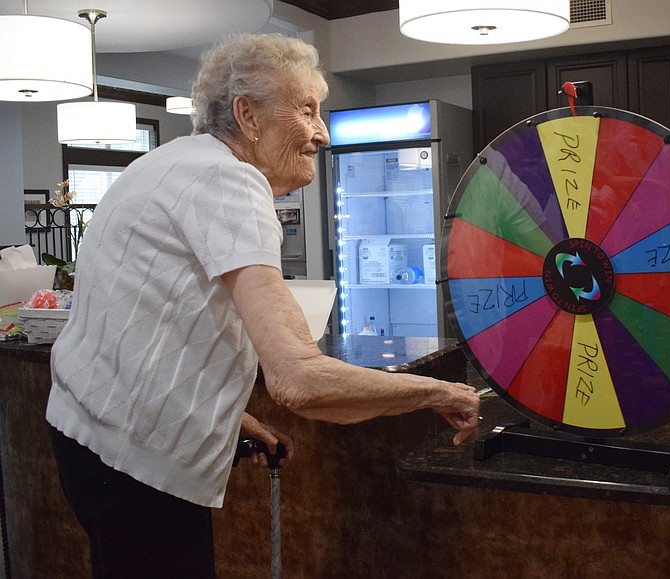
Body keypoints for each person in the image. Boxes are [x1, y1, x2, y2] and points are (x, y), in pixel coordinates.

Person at [46, 33, 480, 578]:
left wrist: (227, 417)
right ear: (247, 115)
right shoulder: (230, 180)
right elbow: (300, 381)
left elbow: (152, 323)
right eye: (306, 111)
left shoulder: (168, 162)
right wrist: (438, 391)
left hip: (85, 440)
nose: (322, 133)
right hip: (135, 462)